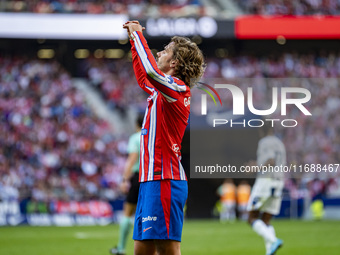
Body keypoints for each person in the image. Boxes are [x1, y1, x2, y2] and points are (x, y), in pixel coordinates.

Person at [122, 20, 205, 255]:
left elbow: (150, 71)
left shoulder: (178, 88)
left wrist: (139, 37)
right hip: (150, 181)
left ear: (174, 62)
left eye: (165, 51)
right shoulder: (163, 90)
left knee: (167, 249)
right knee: (142, 250)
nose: (160, 53)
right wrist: (132, 40)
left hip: (164, 180)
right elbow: (143, 77)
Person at [247, 123, 286, 255]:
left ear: (262, 129)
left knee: (251, 216)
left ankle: (274, 240)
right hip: (279, 181)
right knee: (266, 220)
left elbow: (271, 161)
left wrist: (255, 168)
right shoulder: (280, 143)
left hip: (266, 181)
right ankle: (270, 250)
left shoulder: (265, 142)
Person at [110, 114, 144, 255]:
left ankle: (121, 248)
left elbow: (132, 158)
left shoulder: (135, 138)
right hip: (152, 178)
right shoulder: (153, 137)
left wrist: (124, 179)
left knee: (128, 212)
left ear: (136, 125)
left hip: (137, 177)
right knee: (146, 214)